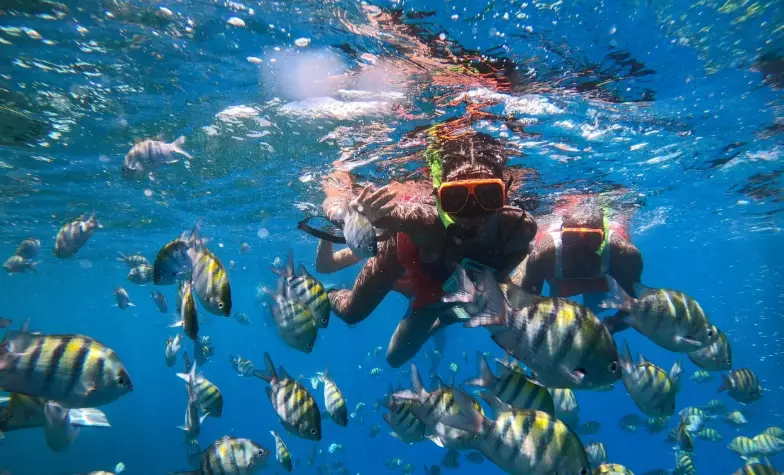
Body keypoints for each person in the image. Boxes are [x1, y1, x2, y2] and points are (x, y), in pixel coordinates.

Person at [320, 130, 537, 367]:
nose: (473, 211)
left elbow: (502, 274)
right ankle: (327, 294)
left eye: (488, 196)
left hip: (443, 283)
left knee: (396, 357)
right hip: (402, 258)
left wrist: (462, 304)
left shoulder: (519, 229)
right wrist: (347, 215)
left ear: (505, 194)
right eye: (455, 199)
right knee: (354, 313)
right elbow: (342, 202)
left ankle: (444, 316)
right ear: (437, 199)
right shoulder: (425, 222)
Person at [510, 194, 643, 324]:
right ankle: (526, 259)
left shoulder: (624, 254)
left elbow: (634, 305)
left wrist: (609, 328)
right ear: (561, 234)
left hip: (597, 280)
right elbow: (527, 305)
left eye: (592, 239)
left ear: (604, 238)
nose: (580, 248)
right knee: (514, 297)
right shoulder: (544, 255)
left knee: (596, 308)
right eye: (570, 238)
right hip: (559, 276)